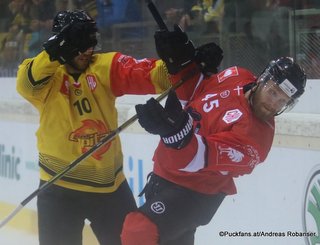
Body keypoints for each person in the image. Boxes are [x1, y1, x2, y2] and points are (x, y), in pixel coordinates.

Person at [16, 10, 199, 245]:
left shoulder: (104, 66)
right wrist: (54, 51)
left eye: (91, 42)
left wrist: (179, 63)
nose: (88, 50)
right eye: (80, 44)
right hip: (57, 188)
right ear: (63, 43)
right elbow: (25, 84)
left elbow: (155, 76)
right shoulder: (45, 75)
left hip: (110, 188)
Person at [120, 25, 307, 244]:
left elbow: (196, 158)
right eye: (273, 92)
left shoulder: (255, 141)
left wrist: (174, 133)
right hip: (165, 174)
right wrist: (184, 65)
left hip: (195, 194)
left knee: (139, 230)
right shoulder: (237, 75)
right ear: (262, 80)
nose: (272, 104)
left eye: (282, 101)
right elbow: (195, 92)